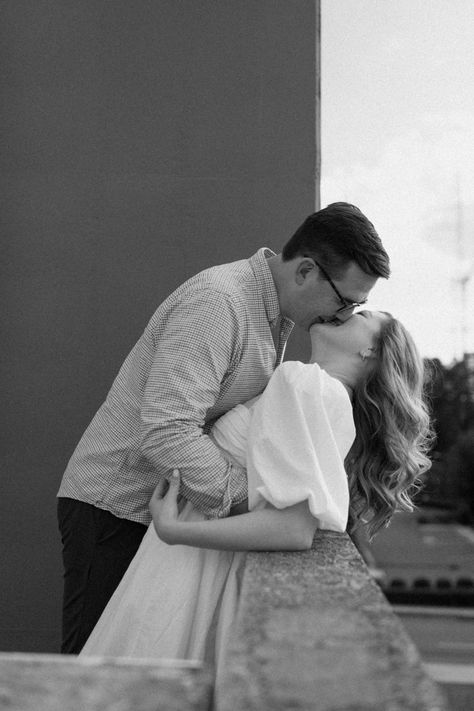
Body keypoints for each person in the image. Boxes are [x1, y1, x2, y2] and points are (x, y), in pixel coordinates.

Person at [57, 202, 390, 653]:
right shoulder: (221, 302)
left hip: (166, 505)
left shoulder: (276, 314)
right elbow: (168, 428)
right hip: (118, 506)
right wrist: (251, 506)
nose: (343, 315)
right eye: (345, 300)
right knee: (97, 677)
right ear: (306, 270)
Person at [79, 311, 432, 677]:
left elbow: (293, 529)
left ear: (369, 350)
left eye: (362, 315)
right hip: (201, 554)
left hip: (189, 555)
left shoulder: (305, 383)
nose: (345, 311)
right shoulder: (327, 395)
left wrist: (174, 531)